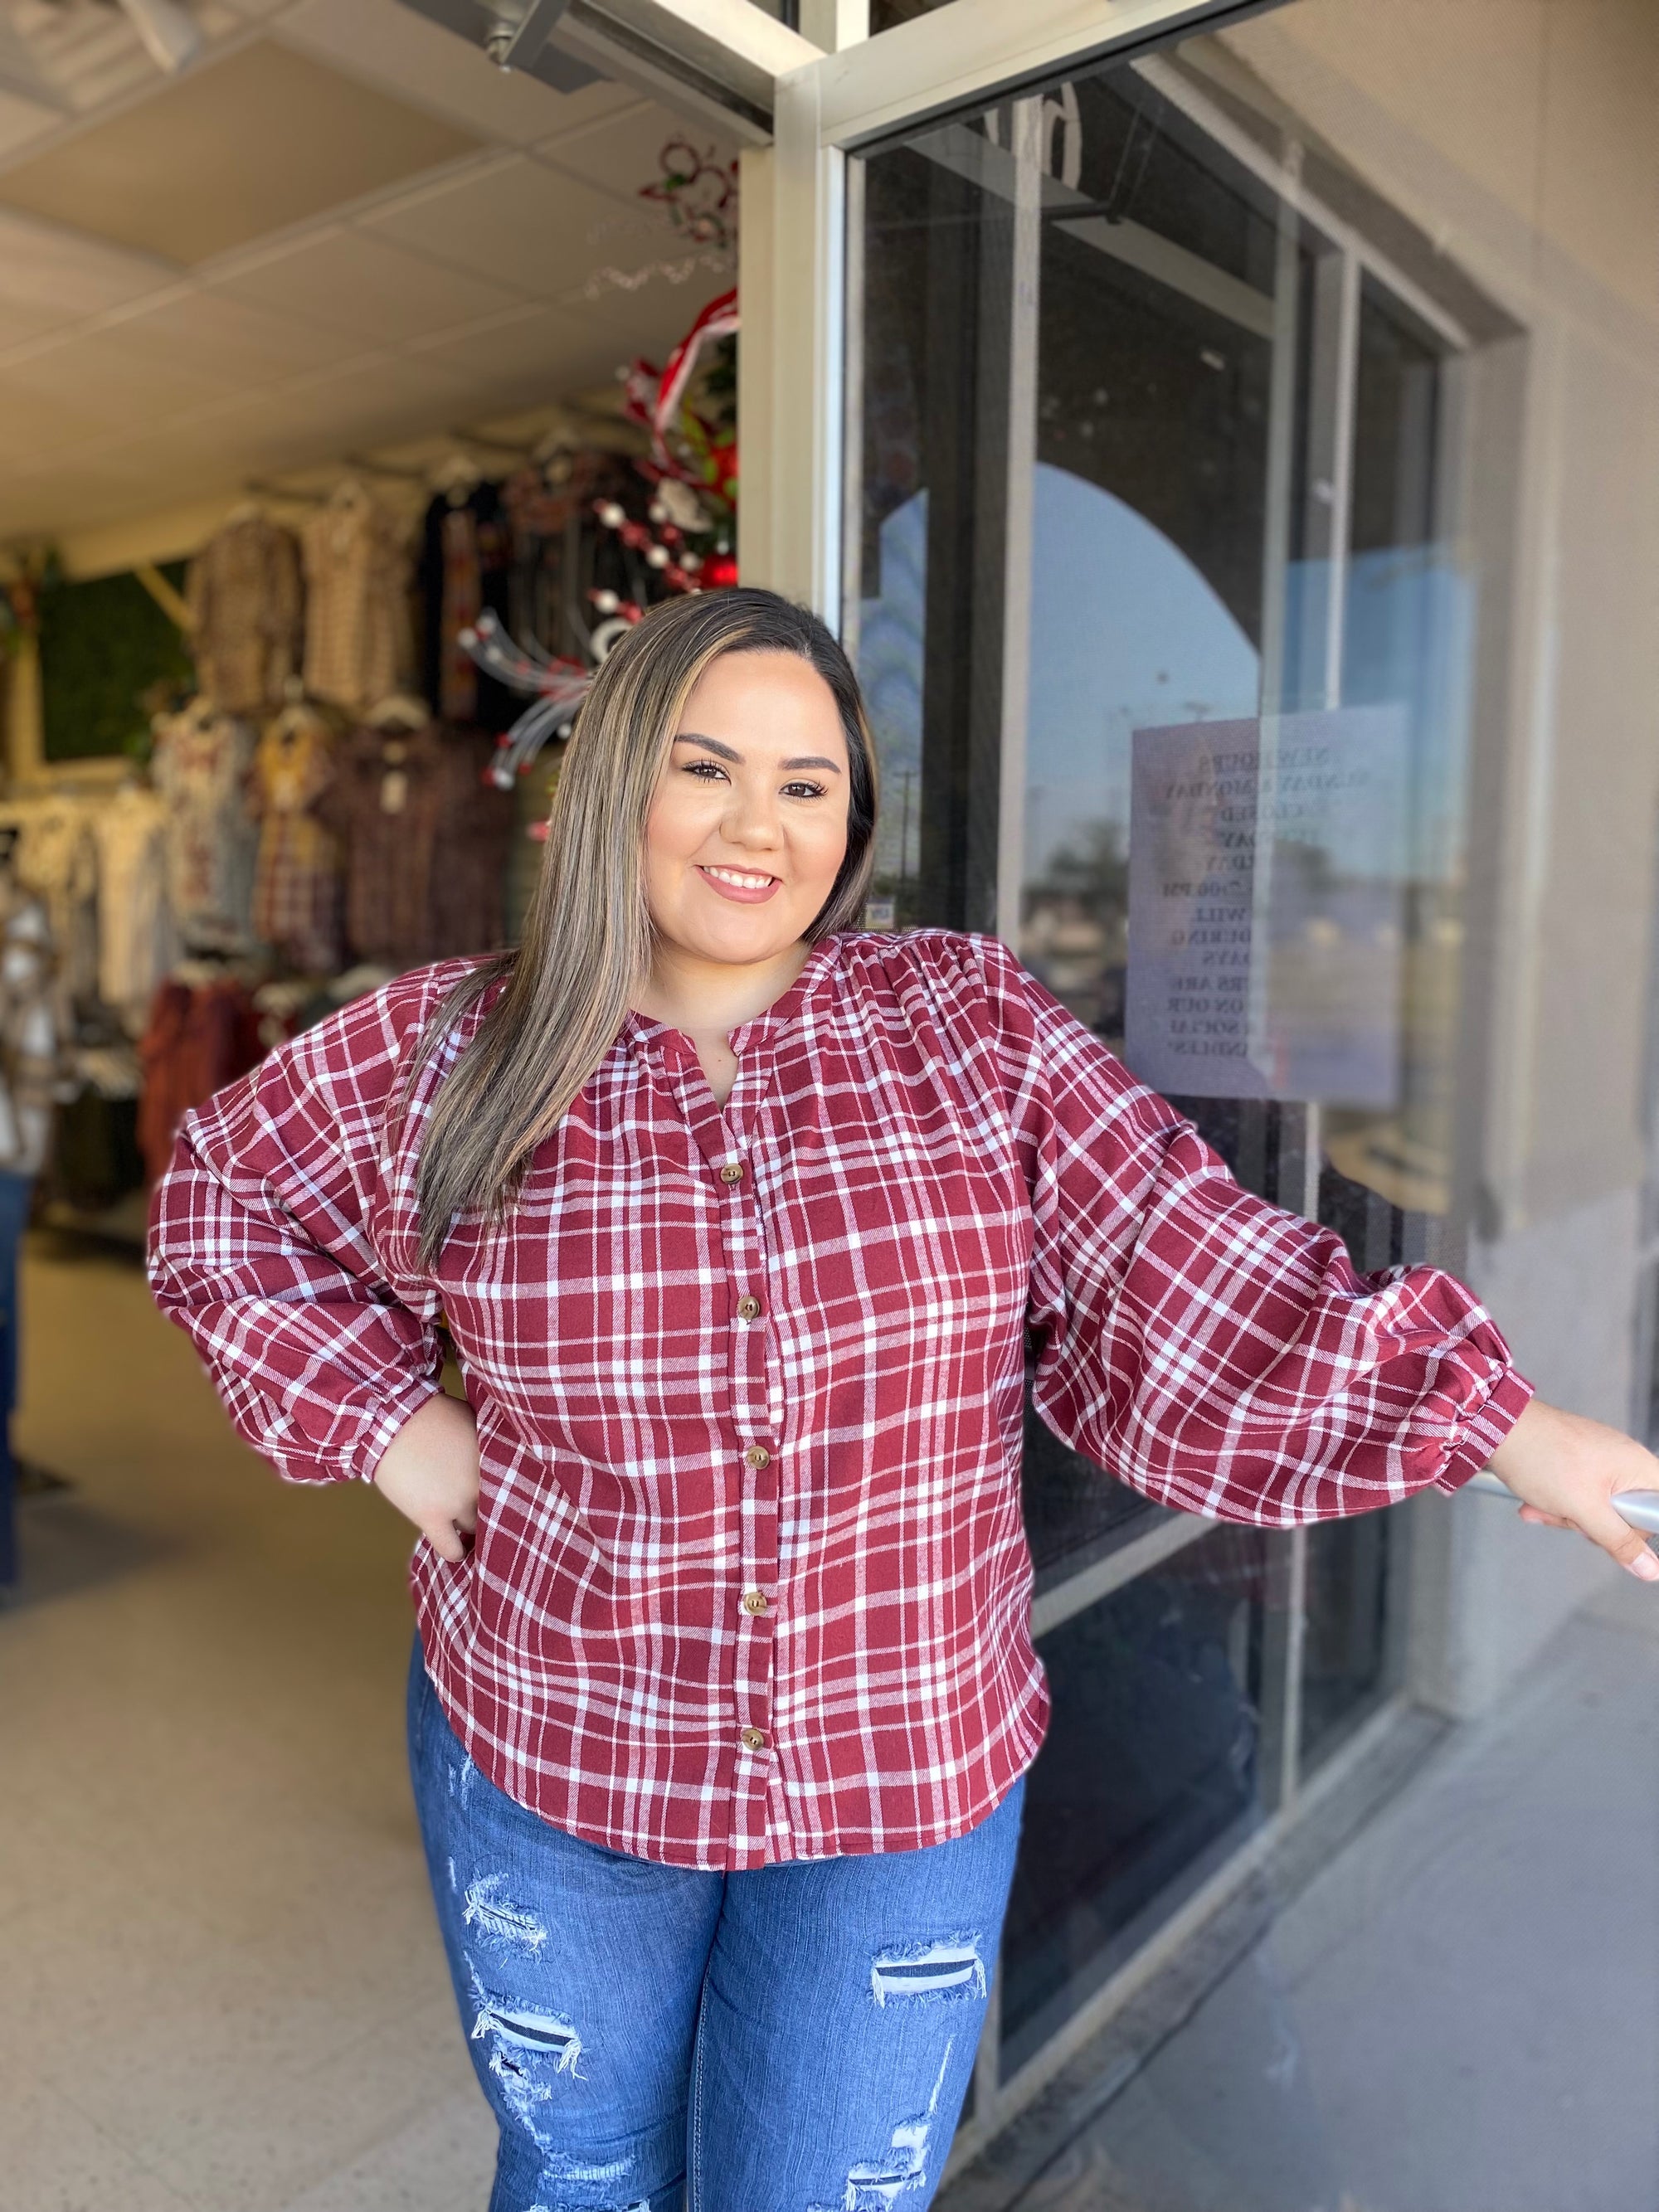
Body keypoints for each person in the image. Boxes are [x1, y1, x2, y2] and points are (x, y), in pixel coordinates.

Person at [148, 587, 1659, 2212]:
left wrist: (1505, 1422)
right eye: (706, 766)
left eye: (807, 784)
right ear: (616, 788)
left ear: (851, 821)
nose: (757, 825)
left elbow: (1184, 1257)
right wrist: (391, 1422)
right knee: (586, 2173)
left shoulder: (962, 1024)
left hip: (898, 1767)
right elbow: (221, 1204)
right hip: (557, 1734)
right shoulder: (454, 1042)